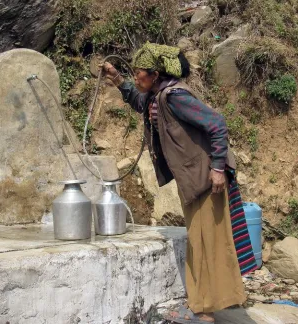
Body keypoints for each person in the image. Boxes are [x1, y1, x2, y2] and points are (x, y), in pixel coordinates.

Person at [102, 42, 257, 323]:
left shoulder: (175, 97)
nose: (136, 78)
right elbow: (140, 102)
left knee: (210, 242)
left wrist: (218, 168)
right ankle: (203, 305)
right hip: (193, 180)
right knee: (199, 241)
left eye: (139, 74)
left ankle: (210, 307)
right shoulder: (155, 97)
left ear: (156, 74)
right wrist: (117, 80)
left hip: (208, 180)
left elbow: (217, 124)